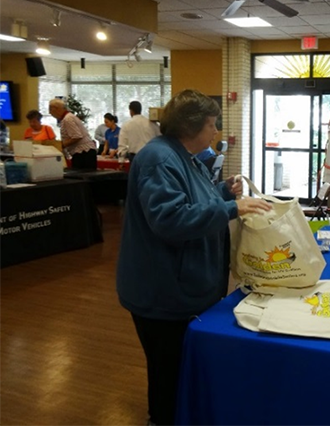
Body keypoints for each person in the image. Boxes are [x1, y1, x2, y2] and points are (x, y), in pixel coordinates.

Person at [116, 89, 271, 426]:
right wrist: (232, 207)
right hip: (161, 291)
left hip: (182, 286)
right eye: (212, 125)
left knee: (180, 366)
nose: (215, 132)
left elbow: (193, 201)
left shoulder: (182, 155)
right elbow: (169, 219)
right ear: (192, 126)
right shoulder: (159, 158)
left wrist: (221, 193)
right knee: (167, 370)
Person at [48, 98, 97, 170]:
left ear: (56, 109)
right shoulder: (69, 117)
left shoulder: (67, 119)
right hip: (83, 152)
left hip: (83, 153)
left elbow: (77, 136)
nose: (50, 113)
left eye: (51, 110)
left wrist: (61, 145)